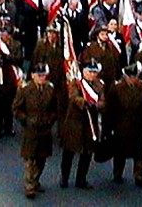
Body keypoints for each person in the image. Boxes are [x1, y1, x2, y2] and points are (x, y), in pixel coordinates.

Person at [13, 63, 58, 199]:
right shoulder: (26, 90)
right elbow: (16, 108)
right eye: (39, 75)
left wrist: (51, 120)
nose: (42, 78)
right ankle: (29, 186)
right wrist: (25, 120)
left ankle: (36, 180)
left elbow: (55, 107)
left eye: (44, 75)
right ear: (32, 76)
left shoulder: (50, 89)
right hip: (31, 129)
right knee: (30, 158)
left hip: (45, 128)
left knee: (42, 158)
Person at [61, 60, 104, 190]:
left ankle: (81, 178)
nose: (92, 74)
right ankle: (64, 177)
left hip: (90, 124)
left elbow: (103, 100)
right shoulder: (76, 83)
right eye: (89, 72)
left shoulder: (99, 85)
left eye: (94, 72)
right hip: (75, 122)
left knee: (87, 153)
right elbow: (73, 97)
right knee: (69, 152)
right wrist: (84, 102)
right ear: (83, 72)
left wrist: (97, 105)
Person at [107, 62, 142, 188]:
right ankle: (117, 173)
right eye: (130, 76)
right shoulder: (117, 88)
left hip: (137, 123)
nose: (133, 79)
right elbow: (111, 108)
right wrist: (109, 127)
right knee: (120, 151)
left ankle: (139, 175)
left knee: (138, 153)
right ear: (125, 76)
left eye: (135, 76)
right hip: (121, 123)